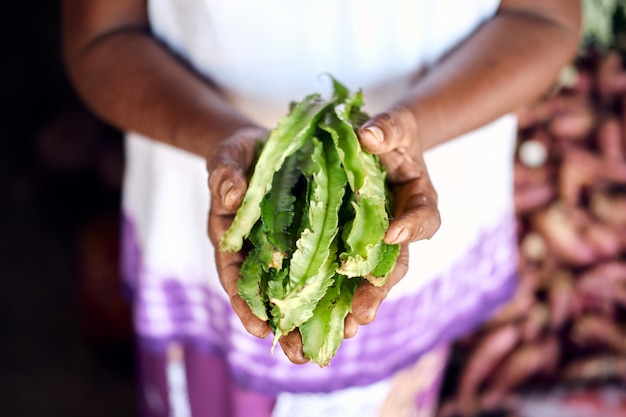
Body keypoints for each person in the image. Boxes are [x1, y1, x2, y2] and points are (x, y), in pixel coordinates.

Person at [61, 1, 580, 416]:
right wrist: (220, 138)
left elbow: (545, 17)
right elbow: (101, 37)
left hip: (421, 204)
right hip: (196, 209)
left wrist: (416, 127)